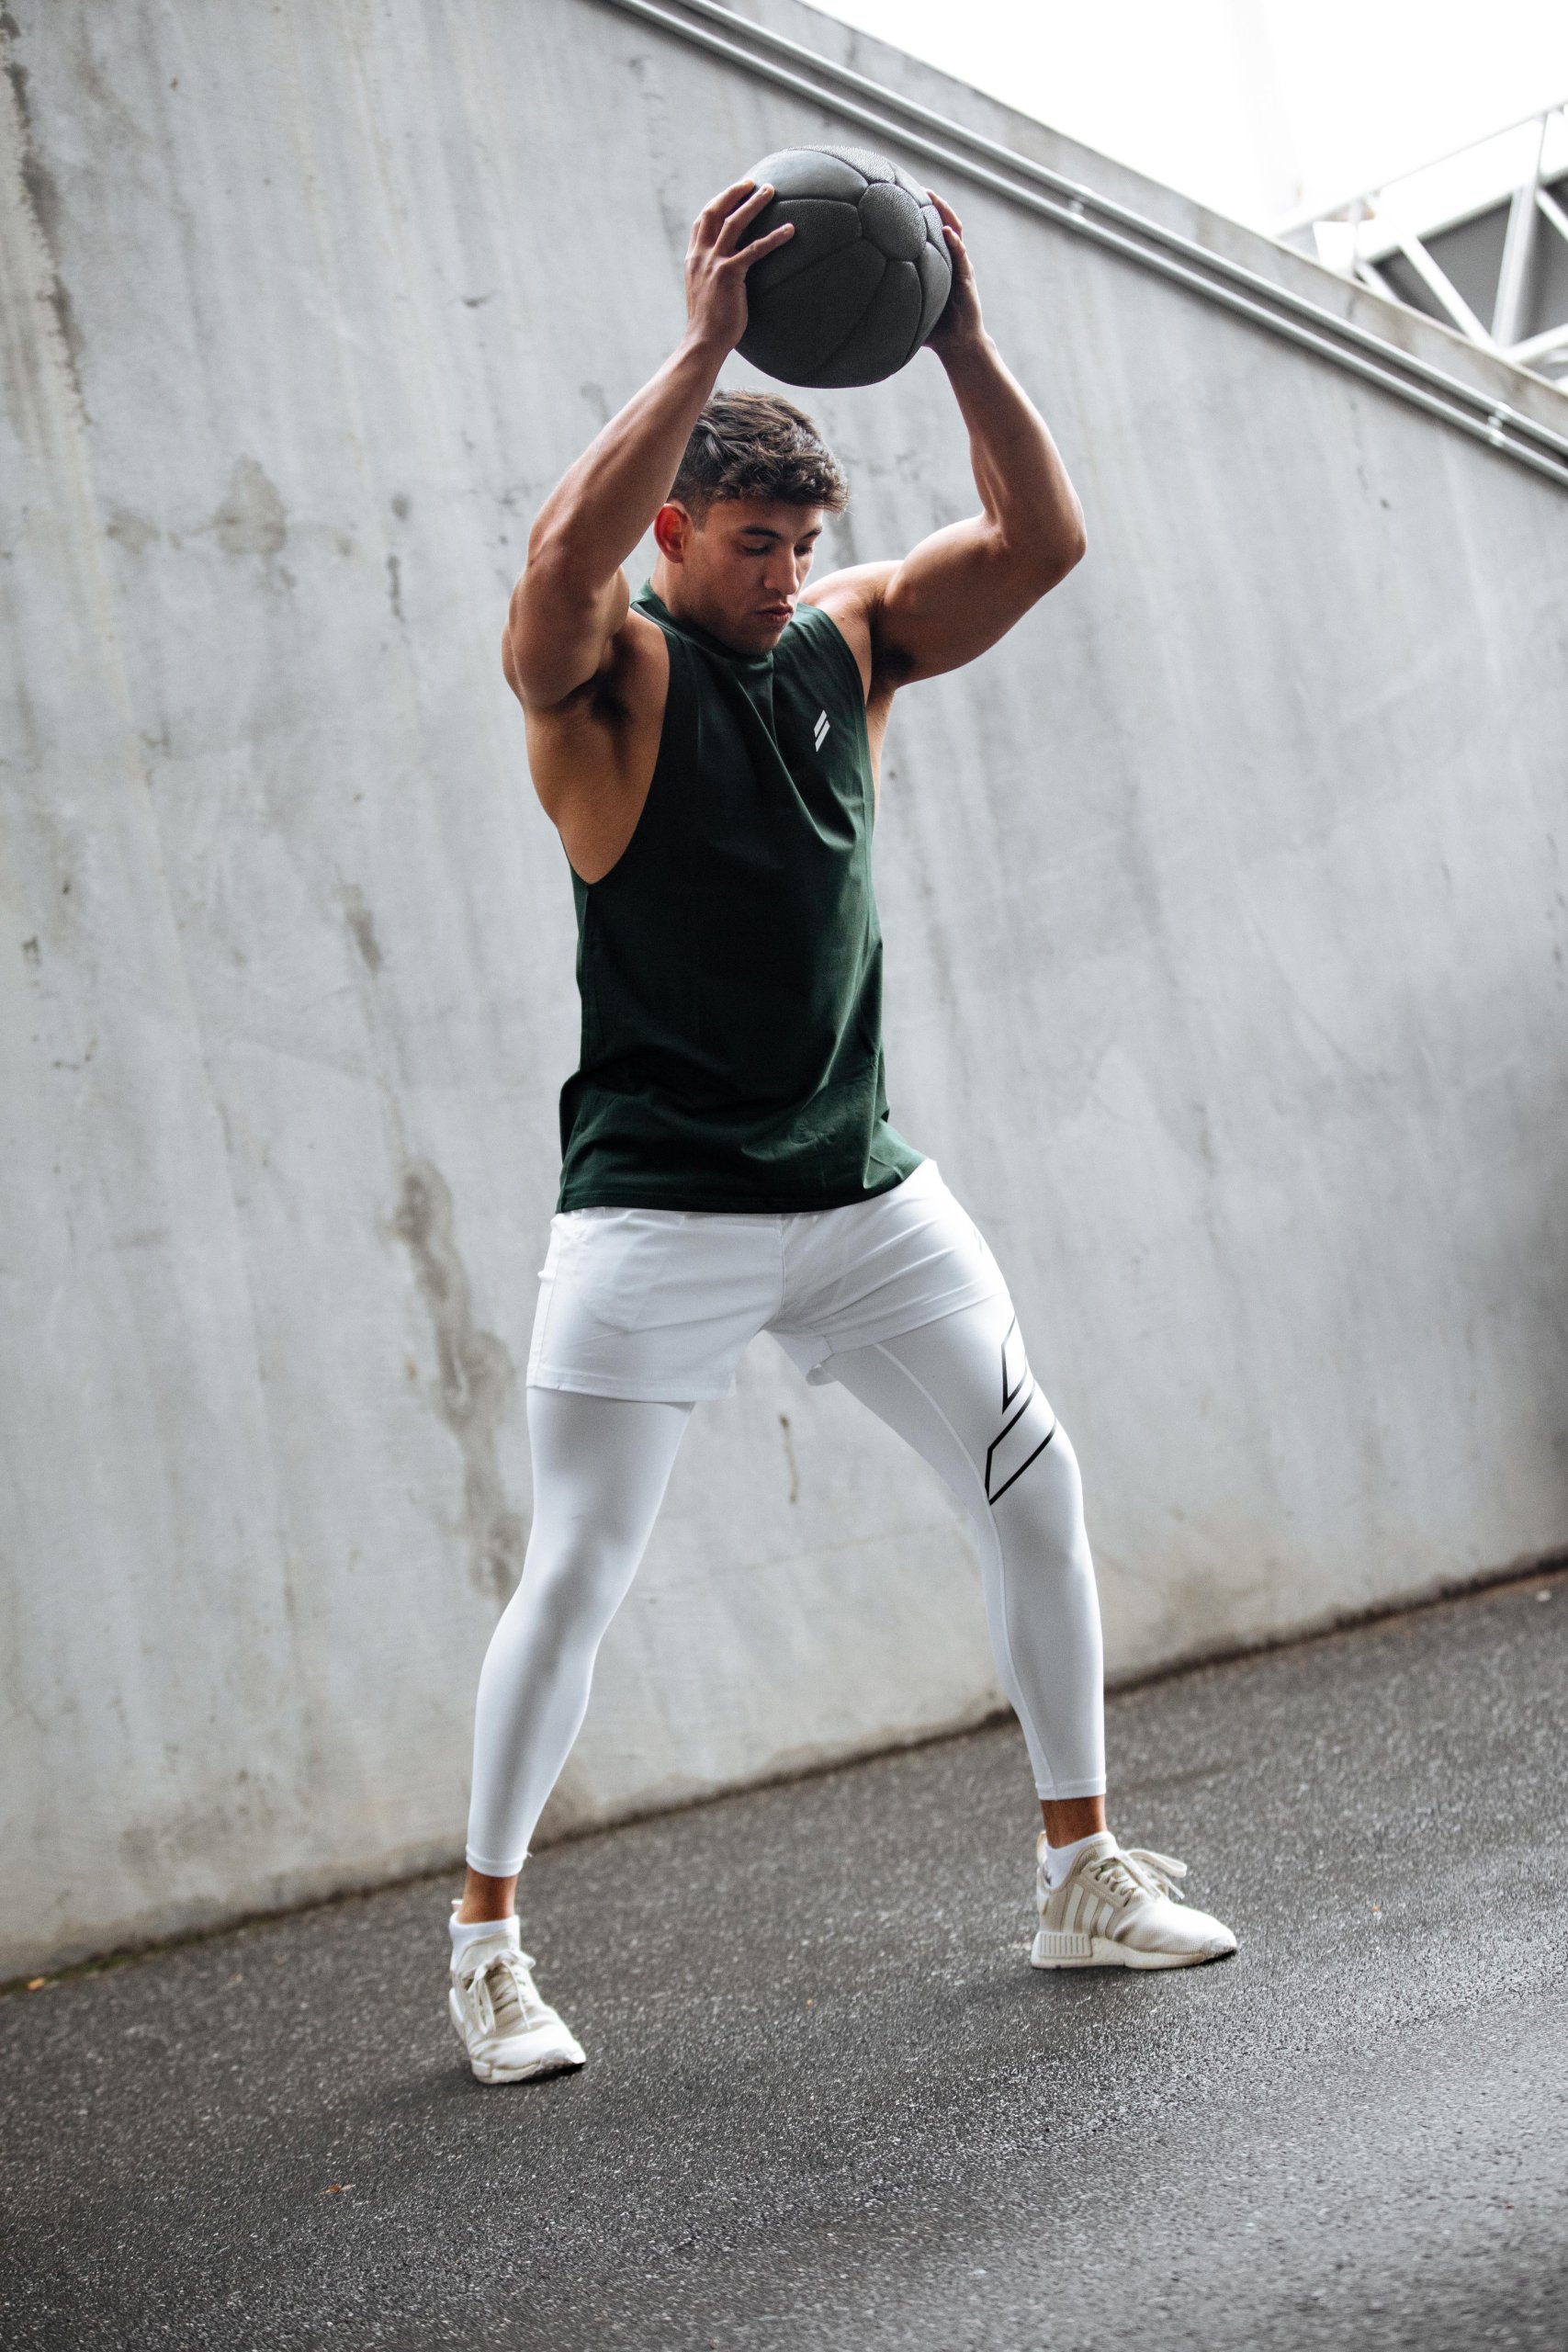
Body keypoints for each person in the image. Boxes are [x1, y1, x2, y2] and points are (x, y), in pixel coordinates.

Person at [447, 175, 1236, 2085]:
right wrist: (700, 346)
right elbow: (552, 567)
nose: (781, 574)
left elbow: (1038, 538)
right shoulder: (610, 675)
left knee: (1030, 1481)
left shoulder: (851, 641)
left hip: (863, 1188)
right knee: (576, 1571)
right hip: (657, 1211)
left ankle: (1074, 1869)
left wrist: (956, 330)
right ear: (674, 533)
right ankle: (485, 1939)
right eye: (745, 543)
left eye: (801, 540)